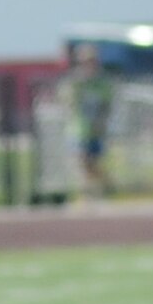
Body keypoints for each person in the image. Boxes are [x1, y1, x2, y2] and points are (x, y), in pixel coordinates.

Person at [61, 43, 116, 199]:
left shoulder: (102, 83)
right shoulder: (75, 82)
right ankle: (87, 195)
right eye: (85, 61)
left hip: (96, 130)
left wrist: (102, 122)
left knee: (94, 164)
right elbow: (68, 101)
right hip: (78, 129)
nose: (89, 65)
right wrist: (77, 84)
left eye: (92, 61)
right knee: (81, 161)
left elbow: (107, 105)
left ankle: (102, 189)